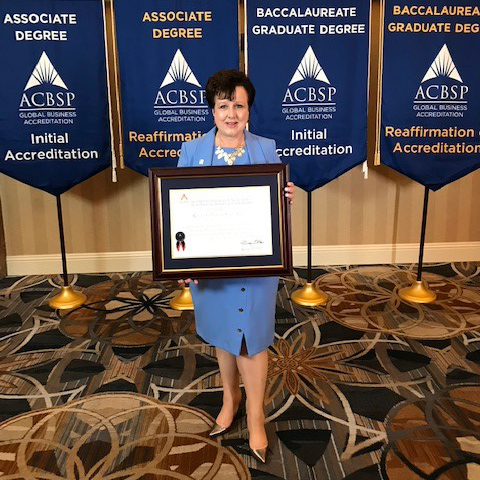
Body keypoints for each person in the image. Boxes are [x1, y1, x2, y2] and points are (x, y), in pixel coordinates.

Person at [177, 69, 294, 463]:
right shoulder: (191, 151)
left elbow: (274, 211)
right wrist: (182, 260)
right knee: (226, 334)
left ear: (249, 110)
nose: (231, 113)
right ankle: (230, 398)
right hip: (211, 267)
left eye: (238, 106)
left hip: (256, 264)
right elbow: (178, 210)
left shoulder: (267, 148)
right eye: (223, 105)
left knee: (253, 338)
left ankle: (256, 415)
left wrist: (285, 198)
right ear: (212, 109)